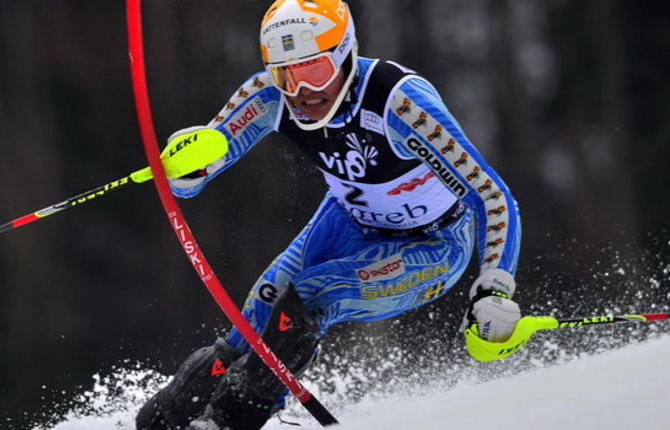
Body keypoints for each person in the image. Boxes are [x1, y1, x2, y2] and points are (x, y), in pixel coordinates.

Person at [136, 0, 522, 429]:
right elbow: (196, 175)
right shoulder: (268, 95)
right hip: (345, 223)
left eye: (315, 70)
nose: (303, 93)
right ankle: (158, 421)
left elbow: (490, 195)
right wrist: (184, 166)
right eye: (287, 74)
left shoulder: (399, 102)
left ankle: (230, 421)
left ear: (345, 54)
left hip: (432, 244)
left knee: (310, 298)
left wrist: (493, 288)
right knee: (252, 325)